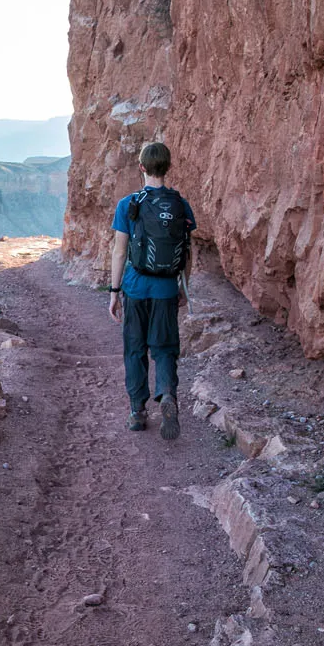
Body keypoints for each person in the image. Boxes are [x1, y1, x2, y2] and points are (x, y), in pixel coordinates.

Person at [107, 141, 195, 439]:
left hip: (135, 287)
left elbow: (120, 252)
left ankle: (137, 411)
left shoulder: (128, 204)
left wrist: (113, 291)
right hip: (166, 288)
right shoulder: (180, 205)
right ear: (167, 167)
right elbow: (187, 252)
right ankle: (167, 394)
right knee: (166, 348)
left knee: (135, 349)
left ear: (141, 167)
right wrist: (182, 286)